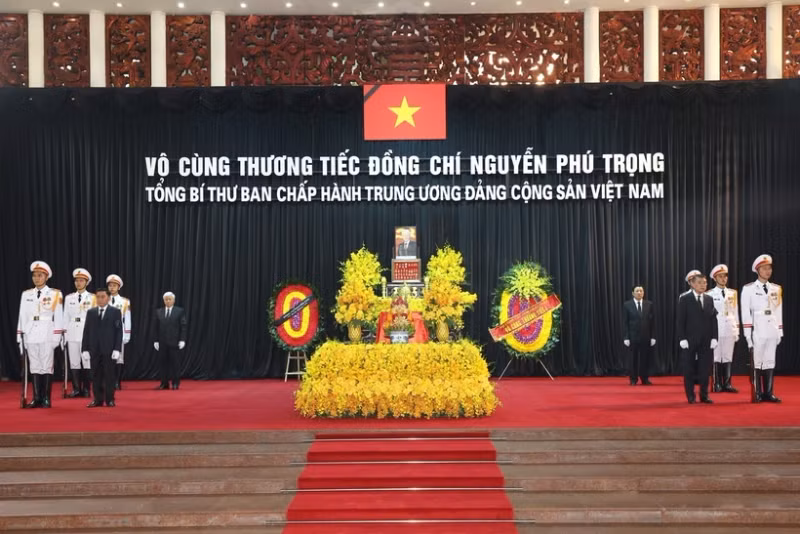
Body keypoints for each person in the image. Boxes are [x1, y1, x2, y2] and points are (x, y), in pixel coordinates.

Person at [17, 261, 64, 408]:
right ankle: (36, 398)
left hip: (47, 332)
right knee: (34, 366)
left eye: (40, 275)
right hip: (30, 333)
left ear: (46, 277)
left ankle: (46, 398)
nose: (36, 278)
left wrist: (57, 336)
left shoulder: (55, 294)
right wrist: (20, 336)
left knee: (46, 365)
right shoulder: (26, 294)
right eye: (34, 275)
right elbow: (22, 316)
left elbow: (59, 317)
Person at [741, 254, 782, 403]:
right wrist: (748, 335)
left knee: (770, 361)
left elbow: (778, 311)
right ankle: (757, 393)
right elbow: (746, 313)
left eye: (769, 268)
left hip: (772, 330)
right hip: (758, 330)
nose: (767, 271)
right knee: (757, 362)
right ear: (757, 270)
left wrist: (780, 331)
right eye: (764, 268)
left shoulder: (776, 288)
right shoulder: (749, 289)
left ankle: (768, 393)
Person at [677, 271, 718, 404]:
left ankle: (704, 395)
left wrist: (714, 337)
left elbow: (713, 320)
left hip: (706, 340)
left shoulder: (709, 299)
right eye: (699, 283)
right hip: (689, 340)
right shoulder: (685, 299)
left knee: (705, 369)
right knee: (688, 369)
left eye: (705, 283)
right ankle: (690, 395)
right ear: (693, 284)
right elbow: (680, 321)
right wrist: (682, 338)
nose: (703, 285)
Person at [82, 289, 122, 407]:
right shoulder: (91, 312)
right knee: (95, 375)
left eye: (102, 296)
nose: (100, 299)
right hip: (94, 349)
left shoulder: (115, 312)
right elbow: (86, 331)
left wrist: (117, 348)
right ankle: (98, 399)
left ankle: (110, 399)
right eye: (98, 296)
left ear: (108, 298)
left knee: (109, 375)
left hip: (109, 349)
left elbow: (119, 332)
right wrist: (84, 348)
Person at [62, 269, 96, 398]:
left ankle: (86, 389)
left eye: (81, 280)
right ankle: (76, 389)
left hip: (86, 332)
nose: (78, 283)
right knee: (74, 361)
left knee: (86, 361)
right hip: (72, 331)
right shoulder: (69, 298)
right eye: (76, 280)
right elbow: (65, 317)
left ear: (86, 282)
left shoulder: (93, 298)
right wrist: (64, 335)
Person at [707, 264, 739, 393]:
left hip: (730, 327)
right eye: (720, 276)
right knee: (716, 356)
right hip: (716, 328)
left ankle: (727, 383)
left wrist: (737, 330)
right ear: (715, 278)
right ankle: (716, 384)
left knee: (727, 356)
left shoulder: (733, 293)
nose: (723, 278)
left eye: (725, 276)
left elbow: (735, 312)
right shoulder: (709, 294)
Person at [622, 285, 656, 385]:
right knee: (633, 359)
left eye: (641, 291)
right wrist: (626, 337)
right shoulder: (627, 305)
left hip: (646, 336)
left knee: (645, 359)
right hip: (633, 336)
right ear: (633, 293)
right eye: (637, 291)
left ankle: (645, 378)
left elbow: (652, 322)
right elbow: (625, 322)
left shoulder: (649, 304)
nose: (639, 293)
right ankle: (633, 379)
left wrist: (653, 336)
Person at [153, 291, 187, 390]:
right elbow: (155, 327)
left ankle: (175, 383)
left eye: (170, 299)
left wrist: (182, 340)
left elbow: (183, 326)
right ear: (163, 300)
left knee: (175, 364)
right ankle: (164, 383)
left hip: (174, 342)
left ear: (173, 300)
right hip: (162, 342)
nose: (168, 301)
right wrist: (156, 340)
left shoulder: (179, 311)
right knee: (163, 363)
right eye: (166, 299)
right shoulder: (159, 311)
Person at [106, 274, 131, 390]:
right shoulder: (103, 299)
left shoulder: (125, 301)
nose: (112, 288)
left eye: (114, 285)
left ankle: (117, 382)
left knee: (119, 358)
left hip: (119, 332)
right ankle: (108, 381)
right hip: (105, 332)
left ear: (118, 287)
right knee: (107, 357)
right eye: (110, 285)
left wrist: (127, 334)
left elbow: (128, 319)